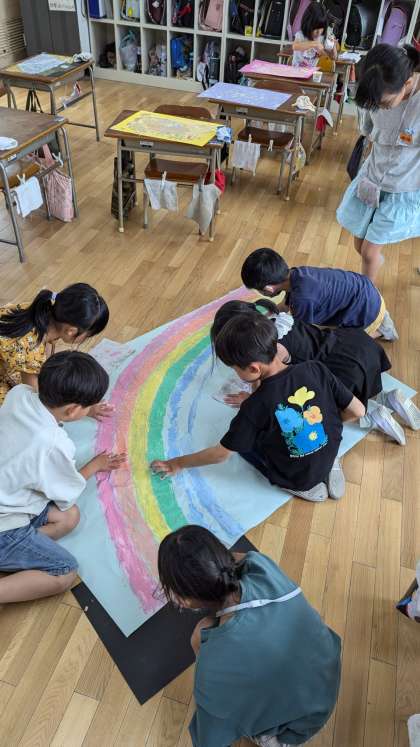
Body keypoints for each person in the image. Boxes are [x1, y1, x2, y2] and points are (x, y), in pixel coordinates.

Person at [158, 525, 342, 747]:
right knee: (205, 631)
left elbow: (209, 741)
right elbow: (237, 558)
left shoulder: (214, 667)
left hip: (296, 728)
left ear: (186, 601)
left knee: (200, 638)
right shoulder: (260, 564)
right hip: (327, 677)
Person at [151, 314, 366, 502]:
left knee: (246, 448)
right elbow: (358, 411)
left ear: (253, 368)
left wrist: (177, 463)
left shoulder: (254, 406)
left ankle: (302, 487)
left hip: (298, 476)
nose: (236, 374)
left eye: (235, 369)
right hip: (330, 447)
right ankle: (329, 464)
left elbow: (220, 454)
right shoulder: (315, 368)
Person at [0, 351, 126, 604]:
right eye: (88, 405)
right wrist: (96, 464)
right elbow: (66, 493)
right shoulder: (53, 443)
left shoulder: (19, 394)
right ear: (72, 410)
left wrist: (86, 410)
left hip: (9, 502)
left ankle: (17, 552)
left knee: (69, 518)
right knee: (65, 571)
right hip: (4, 527)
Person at [211, 299, 420, 444]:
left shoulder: (274, 349)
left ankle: (372, 417)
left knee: (317, 409)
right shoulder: (276, 321)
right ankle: (388, 398)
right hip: (356, 343)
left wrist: (251, 399)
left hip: (345, 366)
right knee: (358, 386)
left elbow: (272, 385)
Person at [336, 44, 420, 281]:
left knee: (369, 253)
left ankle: (368, 298)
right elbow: (369, 131)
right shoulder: (375, 92)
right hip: (372, 180)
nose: (380, 108)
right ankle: (372, 270)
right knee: (360, 244)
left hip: (402, 189)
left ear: (407, 84)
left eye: (385, 104)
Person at [0, 284, 111, 421]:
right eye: (88, 335)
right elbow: (38, 402)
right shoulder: (31, 348)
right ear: (71, 331)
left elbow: (43, 365)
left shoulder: (42, 311)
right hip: (9, 371)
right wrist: (83, 410)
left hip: (11, 361)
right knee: (20, 413)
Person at [241, 247, 398, 340]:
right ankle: (381, 318)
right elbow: (284, 306)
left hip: (368, 312)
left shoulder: (303, 300)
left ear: (269, 288)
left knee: (335, 344)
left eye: (259, 290)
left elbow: (303, 333)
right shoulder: (296, 274)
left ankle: (383, 330)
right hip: (367, 291)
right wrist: (267, 316)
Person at [292, 2, 337, 68]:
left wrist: (333, 46)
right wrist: (314, 44)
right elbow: (295, 46)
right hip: (297, 70)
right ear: (308, 24)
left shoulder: (322, 37)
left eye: (321, 28)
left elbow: (333, 57)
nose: (318, 32)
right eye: (315, 28)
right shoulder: (301, 35)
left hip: (312, 71)